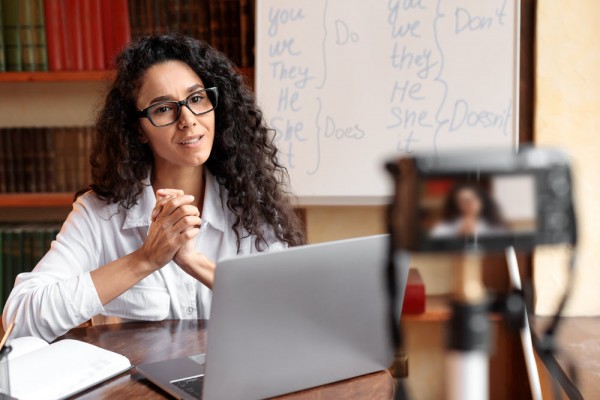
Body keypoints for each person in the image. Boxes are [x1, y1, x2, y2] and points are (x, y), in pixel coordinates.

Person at [3, 34, 304, 341]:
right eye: (163, 109)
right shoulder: (98, 213)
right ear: (139, 130)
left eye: (197, 99)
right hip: (132, 388)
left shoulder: (252, 206)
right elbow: (19, 319)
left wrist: (194, 262)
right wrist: (145, 259)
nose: (187, 120)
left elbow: (293, 316)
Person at [430, 182, 506, 237]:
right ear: (455, 205)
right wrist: (458, 237)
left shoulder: (495, 226)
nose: (469, 204)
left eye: (473, 198)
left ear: (482, 201)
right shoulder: (443, 228)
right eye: (463, 201)